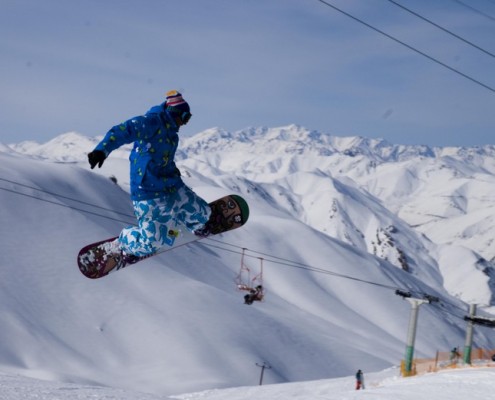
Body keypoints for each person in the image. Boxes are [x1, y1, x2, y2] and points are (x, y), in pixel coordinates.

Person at [87, 90, 211, 266]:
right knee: (152, 243)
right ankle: (126, 242)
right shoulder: (152, 122)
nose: (185, 123)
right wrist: (102, 149)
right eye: (185, 117)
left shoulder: (172, 133)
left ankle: (185, 223)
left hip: (172, 185)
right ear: (175, 113)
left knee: (203, 214)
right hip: (148, 191)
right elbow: (124, 130)